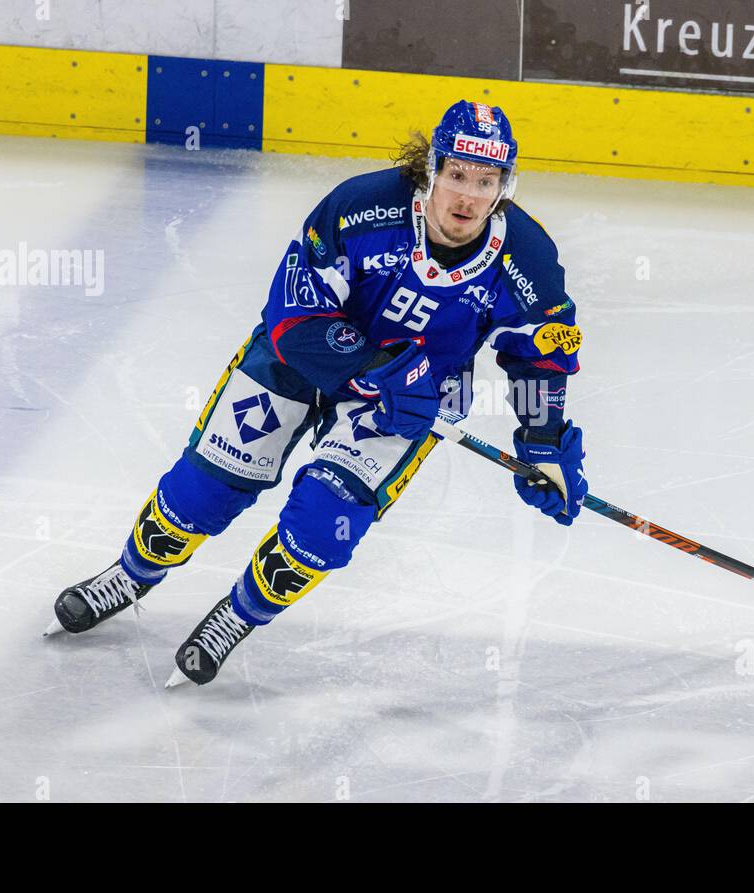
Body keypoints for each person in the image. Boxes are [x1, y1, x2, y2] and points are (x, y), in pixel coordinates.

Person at [45, 100, 588, 687]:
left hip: (413, 399)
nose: (468, 197)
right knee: (205, 488)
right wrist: (374, 367)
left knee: (326, 520)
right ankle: (130, 576)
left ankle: (236, 617)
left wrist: (542, 440)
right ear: (431, 170)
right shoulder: (360, 208)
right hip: (305, 360)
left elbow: (541, 357)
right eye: (456, 174)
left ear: (505, 186)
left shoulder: (527, 257)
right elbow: (291, 315)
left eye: (486, 182)